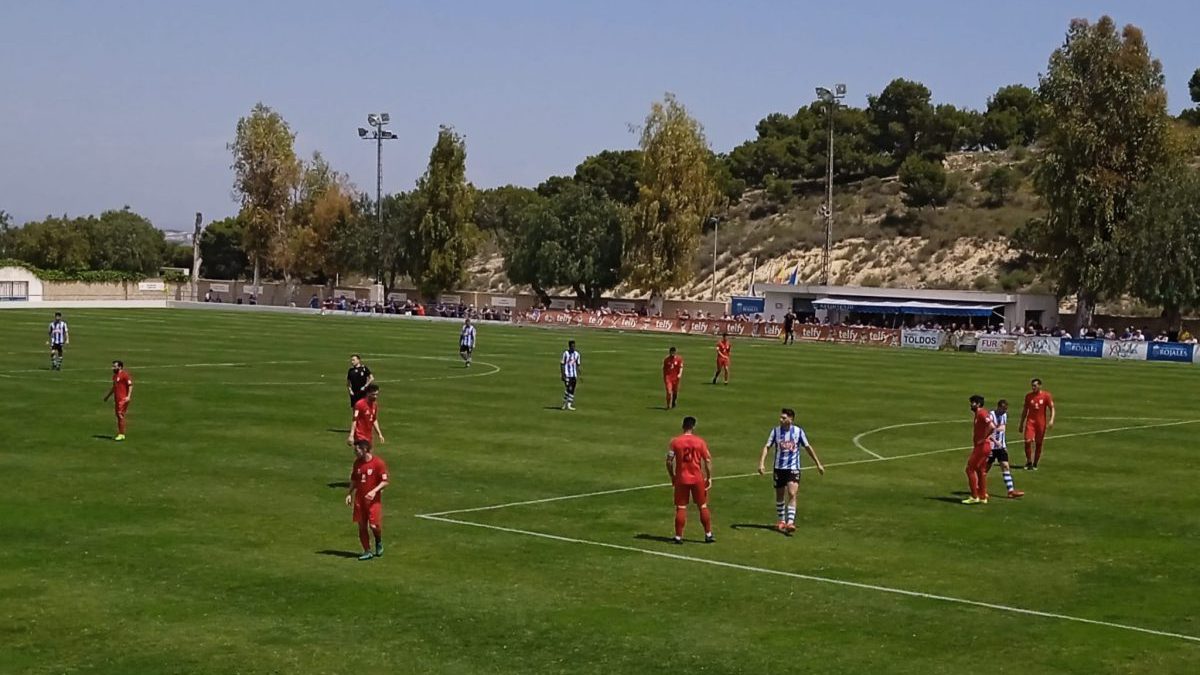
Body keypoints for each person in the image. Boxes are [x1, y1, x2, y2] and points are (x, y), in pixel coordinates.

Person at [757, 408, 824, 533]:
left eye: (783, 418)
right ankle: (782, 520)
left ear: (791, 419)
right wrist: (761, 463)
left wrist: (818, 464)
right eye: (781, 418)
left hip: (793, 468)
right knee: (780, 494)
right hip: (779, 468)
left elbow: (808, 447)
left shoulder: (798, 432)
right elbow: (767, 446)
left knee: (792, 493)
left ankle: (790, 522)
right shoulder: (776, 432)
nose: (781, 420)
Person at [665, 416, 714, 544]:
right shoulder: (700, 442)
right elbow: (707, 460)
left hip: (681, 478)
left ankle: (678, 536)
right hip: (697, 478)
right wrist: (709, 477)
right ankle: (708, 534)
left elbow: (669, 461)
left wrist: (672, 475)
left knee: (681, 507)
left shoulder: (675, 442)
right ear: (693, 427)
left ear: (683, 426)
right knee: (702, 506)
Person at [345, 439, 389, 560]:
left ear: (364, 449)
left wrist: (374, 491)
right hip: (360, 500)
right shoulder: (357, 463)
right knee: (362, 526)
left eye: (357, 450)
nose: (355, 452)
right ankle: (367, 550)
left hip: (373, 501)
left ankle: (378, 541)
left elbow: (385, 482)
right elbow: (354, 479)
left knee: (374, 526)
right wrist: (349, 493)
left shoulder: (378, 463)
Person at [985, 399, 1024, 499]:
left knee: (1005, 466)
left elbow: (1003, 432)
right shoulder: (990, 415)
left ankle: (1010, 491)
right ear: (998, 407)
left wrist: (1004, 445)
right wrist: (994, 440)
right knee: (985, 468)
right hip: (991, 446)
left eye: (1006, 409)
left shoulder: (1004, 416)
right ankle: (980, 489)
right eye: (1003, 409)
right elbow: (987, 431)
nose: (1005, 411)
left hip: (1001, 446)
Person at [963, 394, 996, 504]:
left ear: (978, 404)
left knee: (969, 469)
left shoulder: (982, 413)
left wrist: (983, 438)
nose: (971, 405)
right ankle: (982, 496)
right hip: (983, 446)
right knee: (980, 470)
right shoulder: (979, 414)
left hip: (982, 447)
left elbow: (992, 426)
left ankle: (974, 496)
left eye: (972, 403)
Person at [1019, 378, 1055, 470]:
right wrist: (1021, 423)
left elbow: (1052, 408)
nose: (1033, 387)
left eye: (1035, 386)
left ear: (1040, 386)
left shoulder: (1046, 395)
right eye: (1032, 386)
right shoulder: (1028, 396)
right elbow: (1025, 410)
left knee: (1039, 443)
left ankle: (1035, 463)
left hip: (1040, 423)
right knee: (1027, 441)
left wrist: (1051, 420)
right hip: (1030, 422)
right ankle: (1029, 462)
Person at [103, 360, 133, 442]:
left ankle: (121, 434)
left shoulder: (124, 375)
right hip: (117, 399)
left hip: (123, 399)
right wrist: (107, 396)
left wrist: (128, 396)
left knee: (120, 414)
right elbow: (114, 387)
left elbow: (130, 385)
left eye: (114, 366)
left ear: (119, 367)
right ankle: (121, 433)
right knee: (118, 415)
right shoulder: (115, 376)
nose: (113, 368)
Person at [348, 384, 384, 449]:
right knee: (362, 454)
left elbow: (374, 419)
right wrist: (351, 435)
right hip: (360, 435)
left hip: (369, 436)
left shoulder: (375, 405)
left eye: (376, 394)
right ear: (367, 393)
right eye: (373, 394)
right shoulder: (359, 404)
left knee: (367, 456)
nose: (375, 396)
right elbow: (354, 420)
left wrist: (379, 434)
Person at [560, 340, 581, 411]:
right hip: (567, 374)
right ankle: (564, 403)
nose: (573, 348)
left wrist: (579, 373)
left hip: (574, 375)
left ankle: (568, 404)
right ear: (569, 346)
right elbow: (562, 364)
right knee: (569, 388)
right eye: (572, 346)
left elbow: (577, 364)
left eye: (574, 346)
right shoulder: (565, 353)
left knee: (572, 390)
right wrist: (563, 375)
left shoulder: (577, 354)